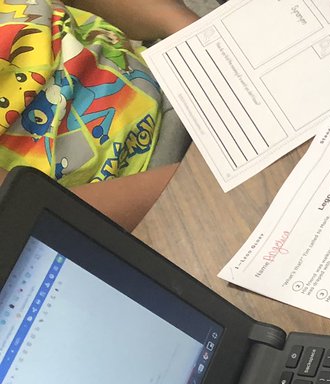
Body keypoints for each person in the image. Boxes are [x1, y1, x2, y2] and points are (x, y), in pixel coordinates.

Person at [0, 0, 199, 228]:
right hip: (148, 189)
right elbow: (26, 210)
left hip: (169, 67)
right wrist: (188, 184)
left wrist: (190, 31)